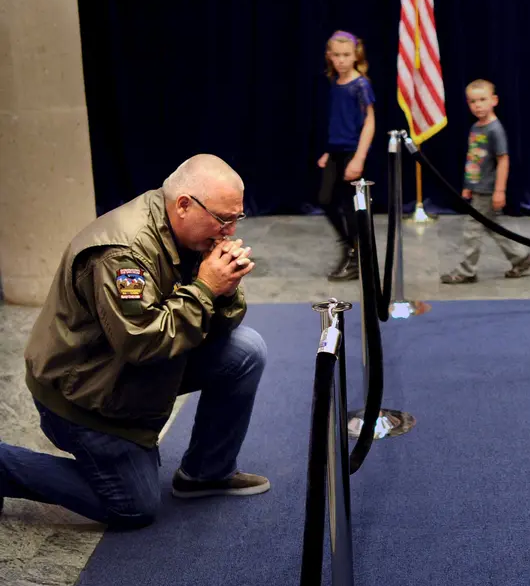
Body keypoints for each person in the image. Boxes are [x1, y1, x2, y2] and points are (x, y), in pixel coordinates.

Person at [0, 155, 269, 528]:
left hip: (127, 368)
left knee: (246, 350)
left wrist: (222, 293)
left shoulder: (185, 232)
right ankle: (4, 465)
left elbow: (215, 328)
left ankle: (205, 474)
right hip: (82, 394)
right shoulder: (122, 254)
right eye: (224, 219)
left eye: (237, 218)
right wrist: (206, 288)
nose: (229, 231)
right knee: (134, 506)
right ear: (184, 205)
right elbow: (143, 345)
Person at [441, 79, 530, 283]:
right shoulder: (476, 128)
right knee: (494, 227)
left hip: (488, 190)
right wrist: (468, 187)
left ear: (494, 100)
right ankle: (521, 258)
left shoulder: (495, 129)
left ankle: (466, 270)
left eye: (482, 100)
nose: (478, 105)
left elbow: (503, 160)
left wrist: (499, 191)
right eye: (473, 101)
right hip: (478, 189)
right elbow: (473, 160)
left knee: (472, 230)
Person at [317, 30, 377, 282]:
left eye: (346, 55)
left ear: (356, 55)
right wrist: (329, 151)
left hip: (353, 151)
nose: (341, 60)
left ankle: (356, 258)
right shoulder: (335, 82)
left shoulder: (360, 84)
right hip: (337, 150)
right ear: (330, 56)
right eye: (337, 55)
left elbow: (369, 122)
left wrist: (359, 158)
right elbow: (339, 120)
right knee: (326, 199)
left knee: (352, 209)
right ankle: (349, 245)